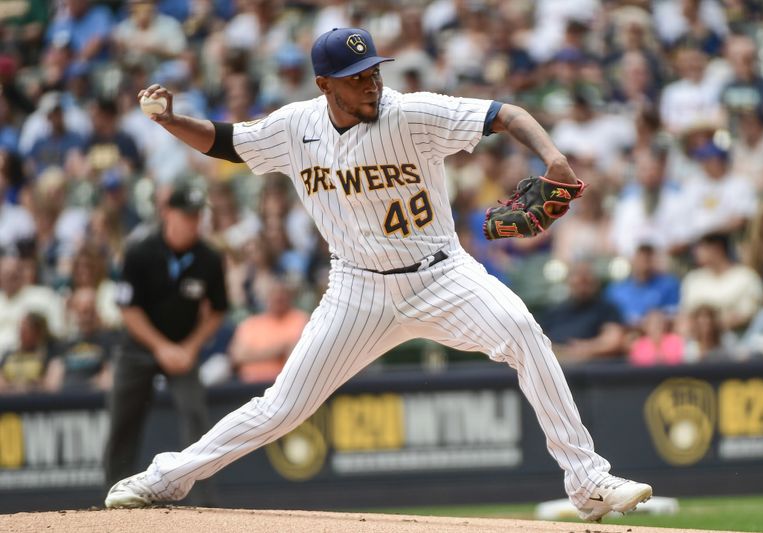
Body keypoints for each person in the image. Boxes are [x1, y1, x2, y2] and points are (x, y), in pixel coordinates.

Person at [105, 27, 652, 522]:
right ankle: (165, 479)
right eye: (355, 78)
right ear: (324, 84)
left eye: (373, 72)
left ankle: (588, 482)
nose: (370, 84)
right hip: (356, 289)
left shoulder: (411, 113)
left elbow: (503, 113)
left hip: (441, 277)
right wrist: (172, 121)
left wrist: (554, 159)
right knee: (282, 407)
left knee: (524, 333)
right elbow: (227, 141)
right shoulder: (296, 127)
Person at [104, 183, 228, 505]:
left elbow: (217, 311)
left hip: (183, 347)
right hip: (138, 348)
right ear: (166, 212)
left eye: (198, 214)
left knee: (196, 416)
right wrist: (161, 347)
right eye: (187, 214)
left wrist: (190, 346)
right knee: (122, 421)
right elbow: (128, 309)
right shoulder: (140, 250)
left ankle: (202, 503)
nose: (193, 221)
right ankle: (116, 495)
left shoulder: (209, 257)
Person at [228, 277, 309, 384]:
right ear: (267, 297)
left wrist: (252, 354)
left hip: (286, 384)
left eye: (283, 293)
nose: (278, 297)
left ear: (290, 297)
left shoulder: (301, 319)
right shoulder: (251, 323)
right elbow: (236, 357)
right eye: (274, 293)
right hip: (247, 385)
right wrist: (278, 350)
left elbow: (299, 356)